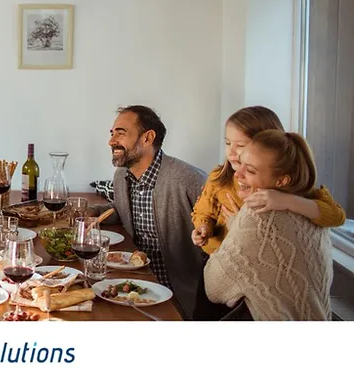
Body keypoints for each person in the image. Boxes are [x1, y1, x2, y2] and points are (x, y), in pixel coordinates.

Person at [204, 131, 334, 320]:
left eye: (250, 170)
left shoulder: (257, 215)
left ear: (281, 180)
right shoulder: (311, 206)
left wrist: (233, 233)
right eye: (240, 163)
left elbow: (214, 288)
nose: (237, 174)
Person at [94, 105, 208, 319]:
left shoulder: (188, 179)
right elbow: (124, 210)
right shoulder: (122, 175)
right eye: (112, 133)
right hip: (132, 280)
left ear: (148, 138)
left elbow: (219, 238)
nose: (111, 141)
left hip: (177, 291)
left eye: (121, 133)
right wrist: (91, 213)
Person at [191, 106, 345, 255]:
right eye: (227, 143)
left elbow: (336, 216)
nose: (231, 151)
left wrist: (286, 200)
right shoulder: (220, 177)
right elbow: (203, 211)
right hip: (216, 259)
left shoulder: (288, 188)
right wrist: (204, 227)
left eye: (240, 145)